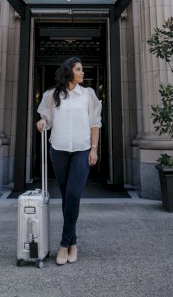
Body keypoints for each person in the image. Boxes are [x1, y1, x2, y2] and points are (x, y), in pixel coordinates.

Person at [36, 57, 102, 266]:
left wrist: (94, 150)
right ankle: (73, 242)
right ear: (69, 72)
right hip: (59, 150)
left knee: (74, 195)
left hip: (82, 150)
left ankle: (64, 245)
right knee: (66, 197)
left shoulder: (88, 95)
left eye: (82, 69)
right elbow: (47, 117)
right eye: (79, 69)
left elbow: (95, 124)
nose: (83, 73)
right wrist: (43, 121)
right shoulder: (52, 95)